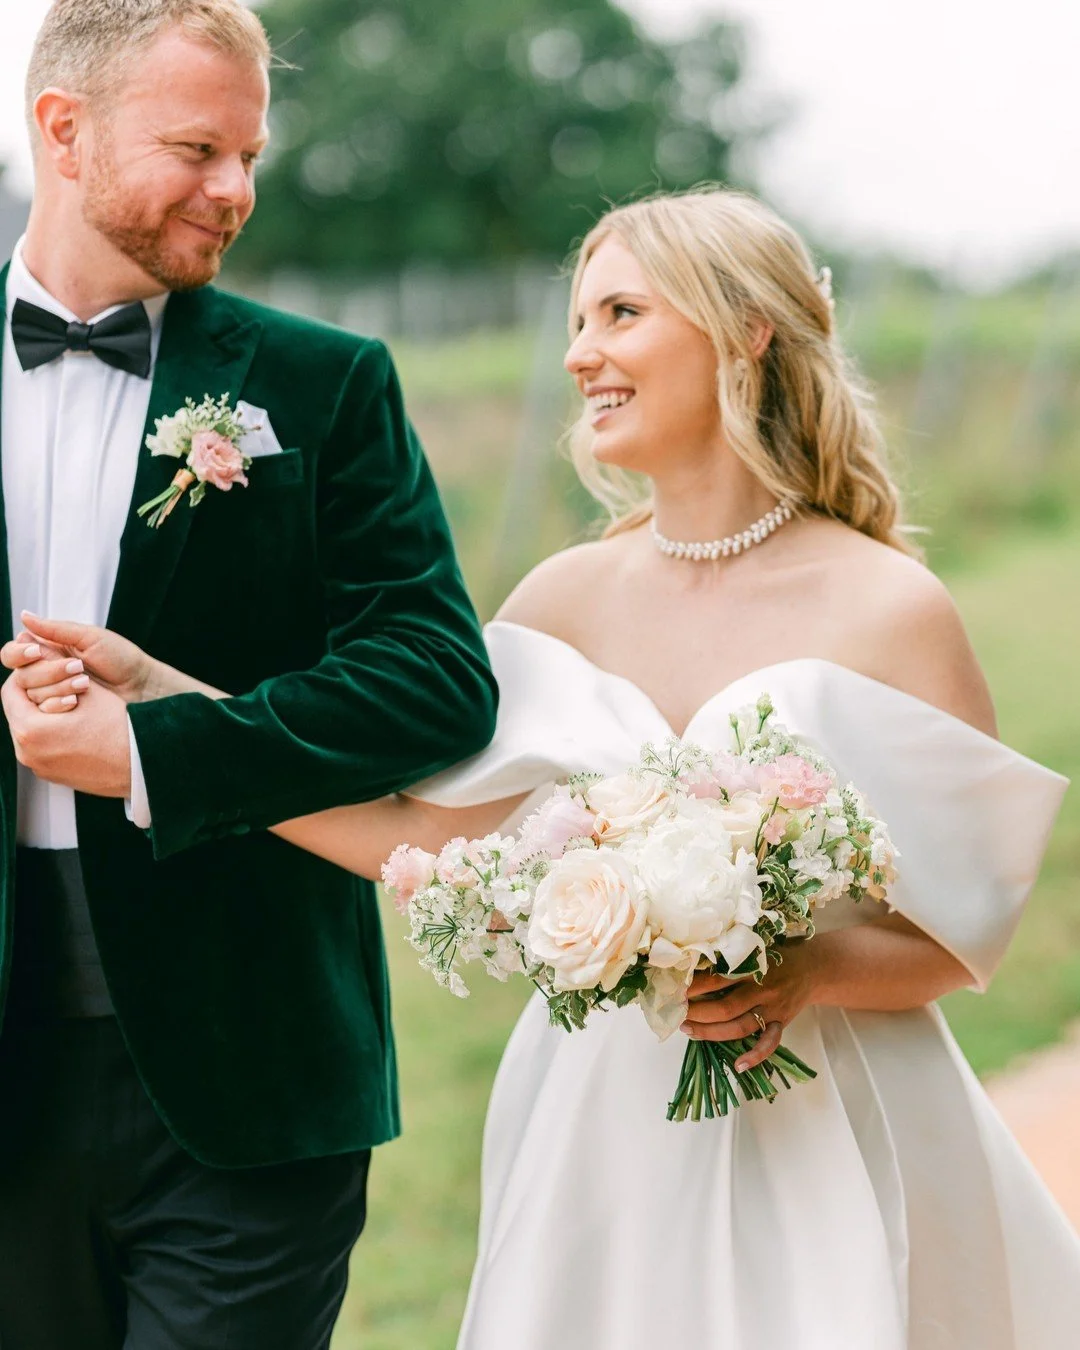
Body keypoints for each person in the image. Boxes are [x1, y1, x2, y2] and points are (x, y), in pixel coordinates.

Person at [10, 188, 1080, 1347]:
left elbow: (963, 938)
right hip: (598, 1138)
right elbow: (423, 838)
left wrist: (805, 970)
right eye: (578, 322)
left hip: (828, 1129)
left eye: (621, 314)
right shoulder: (561, 599)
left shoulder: (892, 607)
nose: (580, 355)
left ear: (747, 329)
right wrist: (166, 709)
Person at [0, 2, 496, 1347]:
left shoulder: (325, 385)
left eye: (251, 155)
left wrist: (156, 747)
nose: (237, 190)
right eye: (198, 149)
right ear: (64, 130)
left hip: (254, 1071)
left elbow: (436, 678)